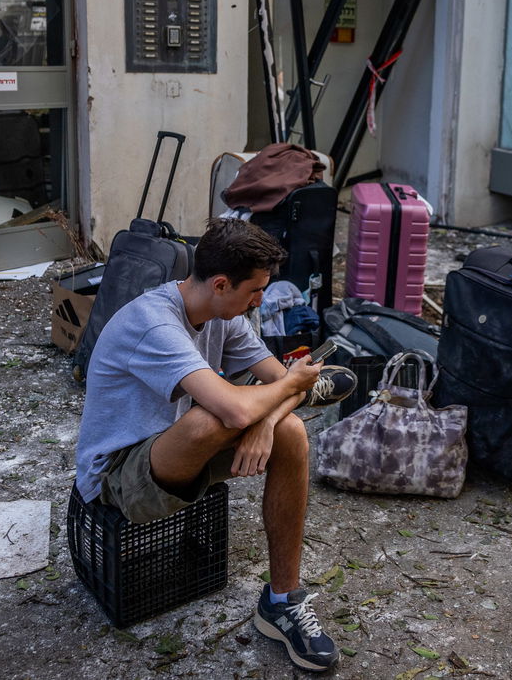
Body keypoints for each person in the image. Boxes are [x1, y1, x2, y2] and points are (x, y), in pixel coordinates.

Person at [75, 218, 357, 672]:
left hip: (177, 453)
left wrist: (270, 421)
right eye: (255, 291)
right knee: (213, 416)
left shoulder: (224, 316)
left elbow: (281, 384)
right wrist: (281, 396)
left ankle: (282, 602)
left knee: (290, 430)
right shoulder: (153, 322)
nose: (260, 301)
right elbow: (243, 408)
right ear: (222, 284)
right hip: (118, 477)